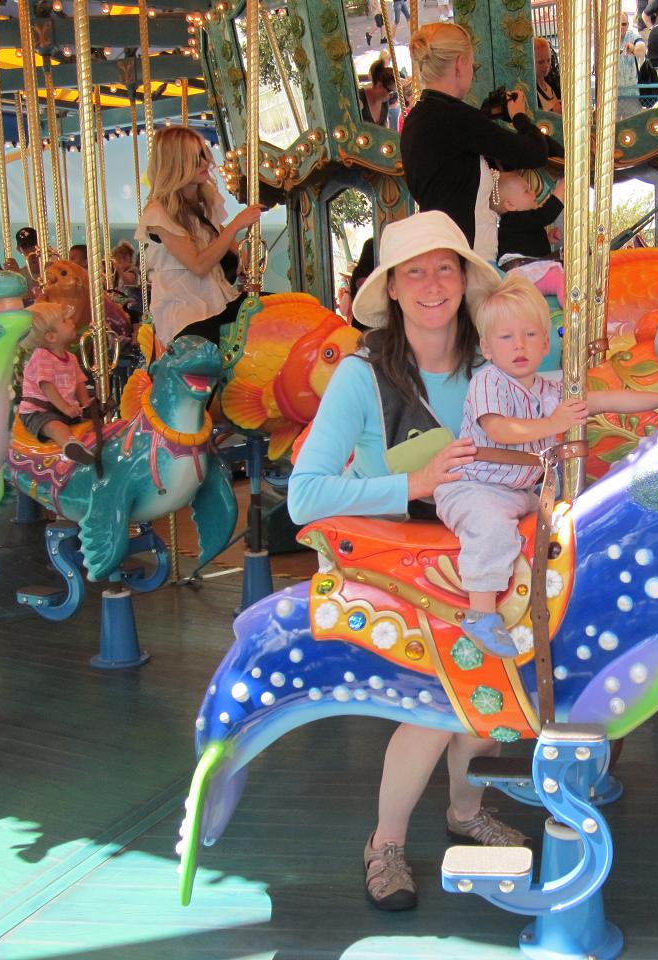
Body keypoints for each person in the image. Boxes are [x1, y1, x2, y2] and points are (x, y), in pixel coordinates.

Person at [287, 211, 523, 912]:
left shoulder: (494, 365)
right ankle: (385, 840)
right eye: (413, 271)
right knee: (435, 706)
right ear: (391, 288)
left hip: (482, 562)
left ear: (464, 278)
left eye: (444, 267)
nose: (430, 283)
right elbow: (303, 497)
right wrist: (411, 487)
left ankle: (462, 808)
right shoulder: (363, 377)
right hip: (402, 567)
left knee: (488, 704)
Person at [433, 272, 658, 656]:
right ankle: (480, 615)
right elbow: (500, 429)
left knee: (571, 527)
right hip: (473, 487)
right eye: (506, 337)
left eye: (530, 335)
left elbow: (604, 401)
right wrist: (554, 425)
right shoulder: (488, 382)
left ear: (546, 341)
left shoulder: (551, 390)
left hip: (519, 492)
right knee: (489, 527)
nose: (519, 346)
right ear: (486, 347)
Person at [401, 22, 552, 261]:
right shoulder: (456, 118)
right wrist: (520, 116)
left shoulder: (416, 120)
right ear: (460, 63)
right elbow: (535, 152)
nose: (471, 71)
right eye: (472, 64)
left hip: (442, 247)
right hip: (470, 255)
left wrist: (483, 119)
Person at [135, 127, 262, 345]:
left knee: (276, 311)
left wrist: (242, 258)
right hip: (185, 310)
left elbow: (221, 238)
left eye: (204, 155)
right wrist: (237, 224)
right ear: (176, 164)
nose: (205, 163)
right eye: (196, 159)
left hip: (217, 299)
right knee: (204, 357)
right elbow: (198, 265)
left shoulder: (205, 203)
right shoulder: (158, 214)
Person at [18, 301, 95, 464]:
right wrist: (66, 408)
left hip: (62, 409)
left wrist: (86, 403)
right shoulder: (42, 356)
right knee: (56, 427)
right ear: (51, 336)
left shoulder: (71, 358)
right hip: (39, 411)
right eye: (65, 321)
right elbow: (46, 386)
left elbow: (79, 382)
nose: (72, 321)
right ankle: (70, 447)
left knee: (91, 423)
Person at [492, 172, 564, 264]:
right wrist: (561, 189)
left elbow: (525, 243)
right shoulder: (514, 219)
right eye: (526, 190)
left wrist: (546, 239)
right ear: (510, 204)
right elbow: (545, 215)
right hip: (523, 267)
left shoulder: (514, 224)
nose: (533, 192)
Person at [616, 12, 645, 120]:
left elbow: (642, 50)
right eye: (617, 24)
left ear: (628, 25)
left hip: (632, 94)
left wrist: (633, 49)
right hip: (612, 96)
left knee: (635, 125)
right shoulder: (605, 39)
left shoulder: (633, 36)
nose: (621, 27)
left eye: (624, 24)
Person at [359, 59, 400, 130]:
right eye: (390, 92)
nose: (391, 96)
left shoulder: (384, 103)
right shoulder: (359, 97)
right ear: (379, 85)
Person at [533, 37, 561, 114]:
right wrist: (553, 113)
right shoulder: (529, 91)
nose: (546, 66)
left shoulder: (554, 83)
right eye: (540, 62)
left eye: (548, 60)